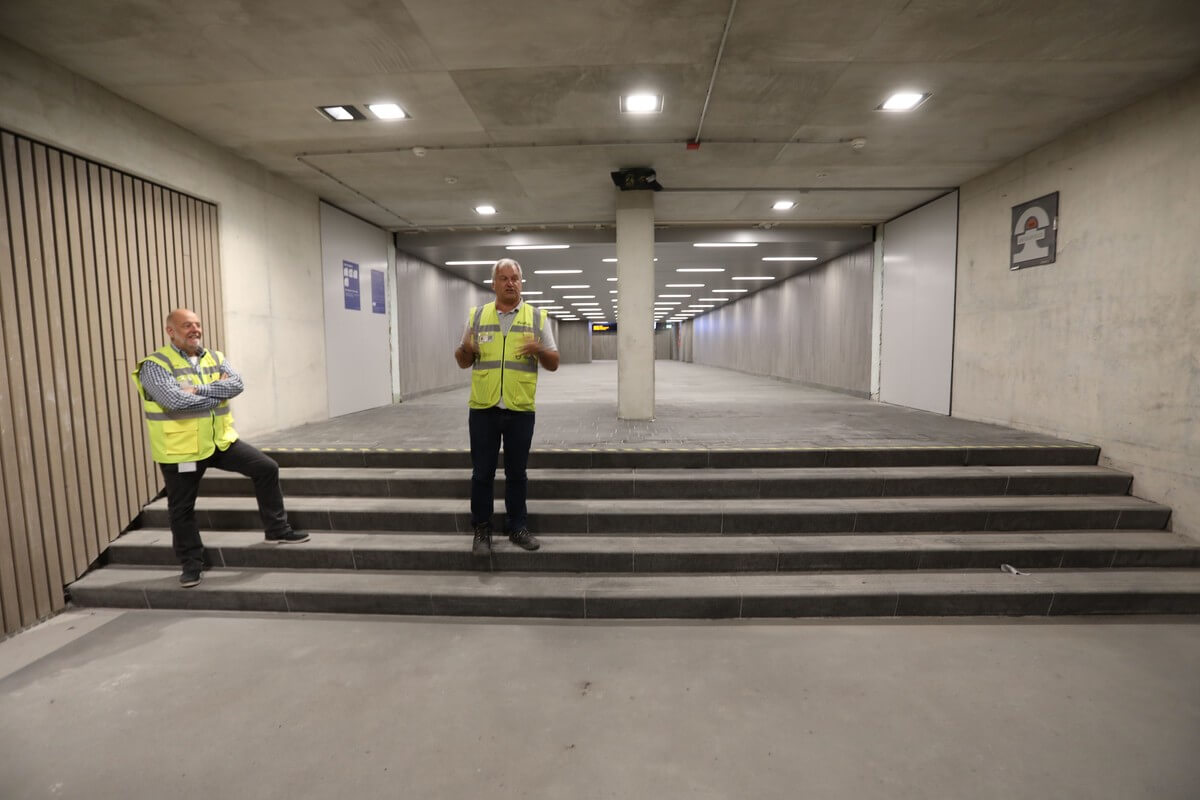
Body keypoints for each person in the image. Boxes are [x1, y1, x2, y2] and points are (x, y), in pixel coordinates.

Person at [131, 308, 308, 587]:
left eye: (197, 324)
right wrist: (216, 391)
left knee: (266, 468)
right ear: (171, 331)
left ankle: (277, 529)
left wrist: (198, 391)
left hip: (220, 442)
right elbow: (173, 402)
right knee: (182, 508)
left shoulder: (215, 357)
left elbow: (237, 385)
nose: (195, 330)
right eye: (187, 325)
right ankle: (192, 563)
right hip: (182, 450)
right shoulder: (154, 365)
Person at [454, 258, 559, 557]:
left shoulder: (537, 318)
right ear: (494, 283)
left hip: (520, 409)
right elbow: (462, 361)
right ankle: (481, 530)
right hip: (483, 410)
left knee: (517, 473)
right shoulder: (477, 316)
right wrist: (466, 349)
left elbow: (553, 363)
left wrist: (538, 349)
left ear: (521, 283)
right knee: (481, 473)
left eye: (515, 278)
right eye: (504, 278)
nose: (510, 283)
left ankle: (518, 527)